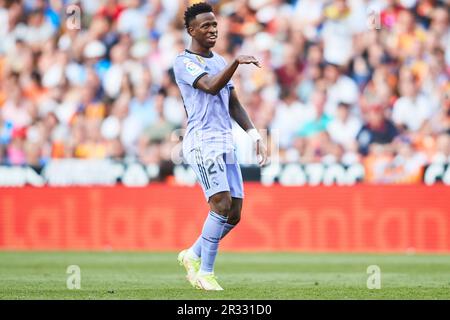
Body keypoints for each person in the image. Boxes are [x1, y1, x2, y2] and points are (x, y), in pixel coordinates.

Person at [173, 2, 267, 291]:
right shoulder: (184, 62)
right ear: (191, 30)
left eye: (215, 25)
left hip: (225, 141)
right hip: (203, 141)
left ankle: (192, 255)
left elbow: (233, 103)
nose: (213, 29)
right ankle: (206, 273)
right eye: (206, 25)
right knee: (221, 204)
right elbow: (211, 86)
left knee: (235, 213)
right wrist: (236, 63)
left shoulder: (219, 61)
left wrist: (254, 136)